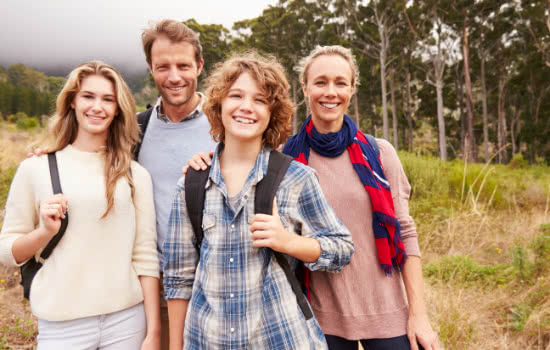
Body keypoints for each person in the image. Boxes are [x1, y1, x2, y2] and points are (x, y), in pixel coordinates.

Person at [187, 45, 440, 350]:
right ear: (304, 88)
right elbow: (236, 160)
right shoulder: (283, 161)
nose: (330, 92)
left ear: (352, 89)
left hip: (385, 312)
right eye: (320, 82)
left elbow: (405, 232)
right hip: (320, 316)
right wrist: (207, 160)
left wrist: (419, 314)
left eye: (340, 83)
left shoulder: (379, 153)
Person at [163, 51, 354, 350]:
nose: (246, 107)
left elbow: (342, 247)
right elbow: (178, 277)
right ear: (219, 105)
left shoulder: (296, 178)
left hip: (279, 338)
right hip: (208, 340)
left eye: (260, 100)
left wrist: (288, 241)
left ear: (272, 113)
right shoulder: (191, 183)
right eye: (236, 95)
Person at [0, 61, 160, 349]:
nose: (97, 107)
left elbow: (145, 256)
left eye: (108, 99)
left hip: (126, 321)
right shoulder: (36, 168)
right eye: (88, 96)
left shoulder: (135, 175)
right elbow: (8, 253)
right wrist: (44, 232)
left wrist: (154, 333)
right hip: (63, 325)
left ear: (118, 109)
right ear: (72, 101)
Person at [138, 19, 218, 349]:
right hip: (152, 291)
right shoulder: (135, 128)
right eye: (163, 67)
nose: (174, 77)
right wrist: (47, 155)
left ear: (199, 66)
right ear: (150, 68)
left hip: (215, 289)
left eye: (183, 65)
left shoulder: (225, 121)